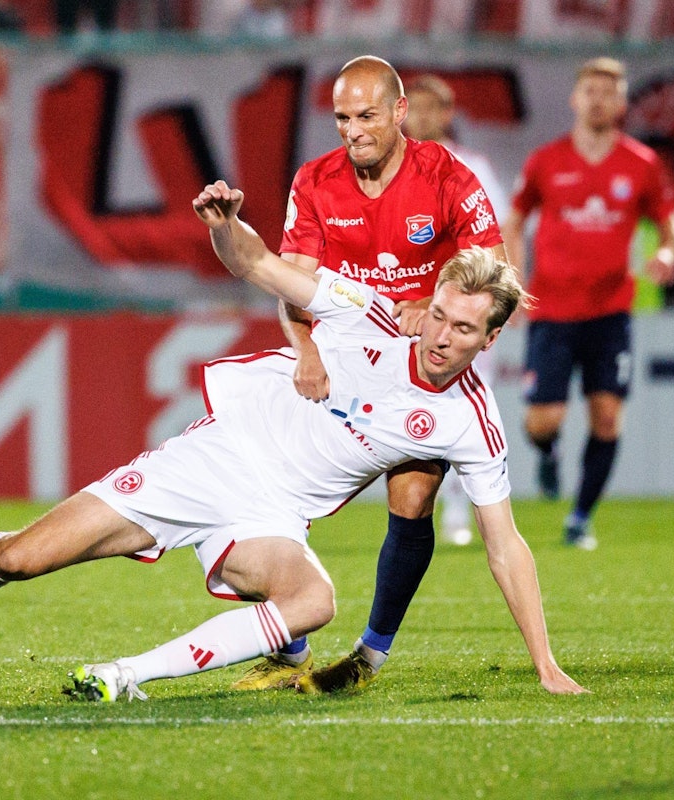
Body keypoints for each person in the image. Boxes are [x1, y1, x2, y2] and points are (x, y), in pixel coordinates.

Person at [0, 180, 587, 702]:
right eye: (441, 315)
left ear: (488, 340)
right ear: (432, 301)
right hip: (211, 460)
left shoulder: (470, 421)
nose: (442, 338)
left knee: (312, 600)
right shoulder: (371, 313)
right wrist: (225, 224)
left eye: (463, 329)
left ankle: (124, 675)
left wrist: (545, 664)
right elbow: (255, 263)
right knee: (22, 558)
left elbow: (504, 545)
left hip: (273, 518)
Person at [238, 54, 509, 693]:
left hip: (420, 365)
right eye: (340, 117)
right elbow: (291, 283)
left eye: (365, 116)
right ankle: (289, 646)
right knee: (259, 489)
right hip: (339, 362)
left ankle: (369, 656)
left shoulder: (447, 176)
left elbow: (494, 268)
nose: (352, 130)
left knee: (411, 497)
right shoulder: (314, 181)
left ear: (398, 112)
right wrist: (305, 351)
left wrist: (437, 300)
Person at [500, 57, 674, 550]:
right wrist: (514, 280)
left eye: (610, 91)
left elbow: (672, 221)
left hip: (610, 311)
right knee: (545, 420)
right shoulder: (546, 160)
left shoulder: (641, 164)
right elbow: (513, 221)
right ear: (575, 99)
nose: (599, 99)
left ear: (622, 103)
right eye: (591, 90)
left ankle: (580, 517)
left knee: (606, 417)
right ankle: (548, 452)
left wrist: (667, 251)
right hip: (552, 311)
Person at [402, 73, 509, 547]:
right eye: (413, 107)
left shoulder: (473, 168)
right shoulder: (390, 170)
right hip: (401, 308)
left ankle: (458, 511)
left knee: (460, 405)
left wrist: (503, 302)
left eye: (430, 108)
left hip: (459, 310)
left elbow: (499, 238)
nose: (420, 117)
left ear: (447, 114)